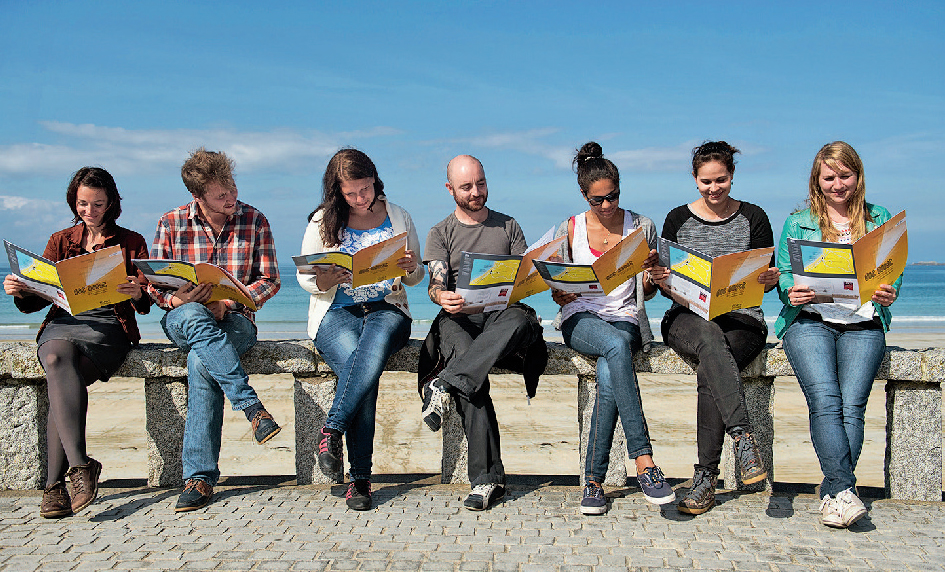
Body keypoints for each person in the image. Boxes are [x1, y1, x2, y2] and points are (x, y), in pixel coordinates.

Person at [3, 167, 150, 518]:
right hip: (63, 321)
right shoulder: (59, 240)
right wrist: (21, 290)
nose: (90, 211)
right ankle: (80, 466)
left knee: (60, 386)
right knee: (55, 360)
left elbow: (146, 300)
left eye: (98, 204)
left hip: (107, 326)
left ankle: (53, 489)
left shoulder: (131, 241)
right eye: (83, 204)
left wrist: (137, 292)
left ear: (111, 202)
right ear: (74, 201)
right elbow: (38, 298)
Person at [148, 148, 281, 512]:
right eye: (221, 196)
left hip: (236, 320)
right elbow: (154, 284)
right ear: (198, 197)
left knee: (200, 362)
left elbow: (269, 281)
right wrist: (177, 300)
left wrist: (230, 303)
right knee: (193, 317)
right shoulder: (171, 222)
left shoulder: (254, 220)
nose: (231, 199)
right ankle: (252, 408)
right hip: (182, 316)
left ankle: (199, 478)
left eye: (233, 189)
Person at [775, 141, 900, 528]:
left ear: (858, 177)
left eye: (845, 176)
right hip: (810, 320)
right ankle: (844, 491)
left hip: (863, 322)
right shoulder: (798, 221)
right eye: (829, 177)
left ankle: (834, 492)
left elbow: (894, 273)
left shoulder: (881, 218)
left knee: (853, 406)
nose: (837, 184)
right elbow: (782, 276)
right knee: (826, 399)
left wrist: (890, 291)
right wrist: (789, 290)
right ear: (817, 179)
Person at [652, 141, 779, 516]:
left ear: (732, 176)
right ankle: (742, 435)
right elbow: (666, 282)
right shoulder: (677, 218)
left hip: (742, 319)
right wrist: (661, 278)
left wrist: (769, 279)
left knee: (713, 362)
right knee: (709, 338)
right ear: (694, 179)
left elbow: (763, 279)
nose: (714, 188)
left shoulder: (754, 217)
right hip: (687, 318)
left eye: (720, 180)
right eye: (706, 181)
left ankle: (705, 478)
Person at [550, 142, 675, 514]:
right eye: (597, 200)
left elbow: (648, 294)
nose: (606, 206)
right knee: (615, 349)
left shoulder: (642, 226)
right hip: (581, 319)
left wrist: (653, 276)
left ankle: (592, 482)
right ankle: (645, 462)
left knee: (611, 365)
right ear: (584, 195)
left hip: (625, 318)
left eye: (613, 197)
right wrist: (559, 292)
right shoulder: (568, 228)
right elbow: (558, 286)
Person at [298, 149, 424, 510]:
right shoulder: (323, 220)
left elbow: (414, 277)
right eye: (351, 193)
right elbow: (305, 277)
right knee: (362, 370)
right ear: (337, 190)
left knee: (370, 350)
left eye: (365, 189)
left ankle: (332, 429)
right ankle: (360, 480)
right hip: (337, 311)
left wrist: (411, 267)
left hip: (388, 308)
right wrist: (326, 278)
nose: (360, 198)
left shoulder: (399, 216)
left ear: (375, 181)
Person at [420, 154, 545, 511]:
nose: (476, 192)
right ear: (450, 189)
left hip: (503, 322)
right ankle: (487, 480)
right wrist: (441, 295)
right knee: (468, 370)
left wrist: (528, 282)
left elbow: (525, 279)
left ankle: (444, 383)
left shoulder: (509, 226)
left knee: (522, 319)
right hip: (461, 319)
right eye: (466, 186)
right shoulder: (440, 232)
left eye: (481, 183)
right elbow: (436, 283)